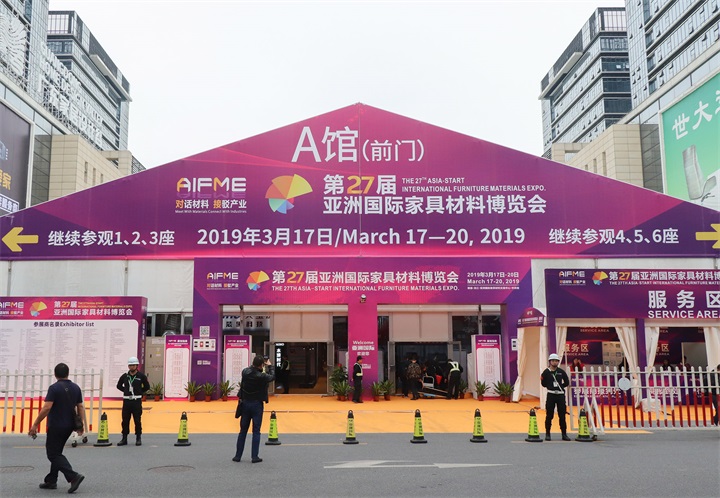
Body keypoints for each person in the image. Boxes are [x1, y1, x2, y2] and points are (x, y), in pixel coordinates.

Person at [28, 363, 86, 493]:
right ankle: (51, 480)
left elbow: (47, 407)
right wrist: (80, 425)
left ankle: (73, 476)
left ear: (55, 374)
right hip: (69, 426)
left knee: (53, 454)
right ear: (68, 373)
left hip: (56, 426)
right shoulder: (76, 388)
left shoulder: (54, 388)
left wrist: (35, 424)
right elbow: (80, 407)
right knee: (57, 452)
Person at [233, 355, 274, 462]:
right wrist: (270, 366)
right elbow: (271, 377)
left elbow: (251, 370)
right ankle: (254, 456)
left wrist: (259, 366)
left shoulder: (245, 372)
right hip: (256, 404)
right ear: (261, 365)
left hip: (245, 403)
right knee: (256, 431)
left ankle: (237, 456)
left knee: (243, 431)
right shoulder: (261, 376)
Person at [116, 356, 149, 446]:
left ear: (137, 366)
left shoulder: (141, 376)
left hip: (136, 401)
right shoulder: (125, 376)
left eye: (133, 365)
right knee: (125, 421)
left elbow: (147, 387)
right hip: (127, 401)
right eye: (130, 365)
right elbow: (118, 386)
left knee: (137, 420)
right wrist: (126, 391)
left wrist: (139, 392)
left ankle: (138, 438)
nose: (131, 367)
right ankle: (124, 438)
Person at [540, 353, 571, 441]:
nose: (555, 362)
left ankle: (564, 434)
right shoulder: (546, 372)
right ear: (550, 362)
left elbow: (566, 382)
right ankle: (547, 434)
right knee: (549, 415)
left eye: (556, 361)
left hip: (560, 395)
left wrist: (560, 386)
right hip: (551, 394)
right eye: (553, 361)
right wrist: (550, 386)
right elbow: (543, 383)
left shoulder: (561, 371)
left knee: (562, 415)